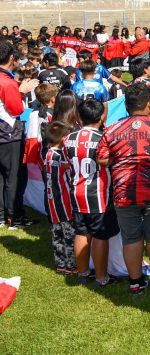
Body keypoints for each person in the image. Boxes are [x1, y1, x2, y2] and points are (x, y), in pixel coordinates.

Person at [99, 83, 150, 294]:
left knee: (131, 238)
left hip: (124, 191)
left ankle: (135, 282)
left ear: (126, 105)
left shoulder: (112, 129)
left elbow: (102, 158)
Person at [65, 98, 119, 286]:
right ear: (102, 117)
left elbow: (67, 162)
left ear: (80, 117)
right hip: (98, 193)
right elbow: (110, 161)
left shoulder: (69, 137)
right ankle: (101, 277)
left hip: (76, 190)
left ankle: (83, 272)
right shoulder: (103, 138)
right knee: (99, 235)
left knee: (81, 232)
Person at [1, 39, 34, 227]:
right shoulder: (7, 82)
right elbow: (16, 109)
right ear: (11, 58)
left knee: (1, 177)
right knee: (13, 177)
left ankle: (2, 216)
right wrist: (22, 91)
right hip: (8, 134)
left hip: (4, 133)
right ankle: (14, 217)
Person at [42, 120, 76, 274]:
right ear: (64, 139)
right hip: (62, 200)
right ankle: (72, 264)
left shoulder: (47, 153)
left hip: (52, 202)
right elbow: (70, 166)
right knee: (68, 233)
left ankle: (60, 263)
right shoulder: (60, 156)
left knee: (57, 233)